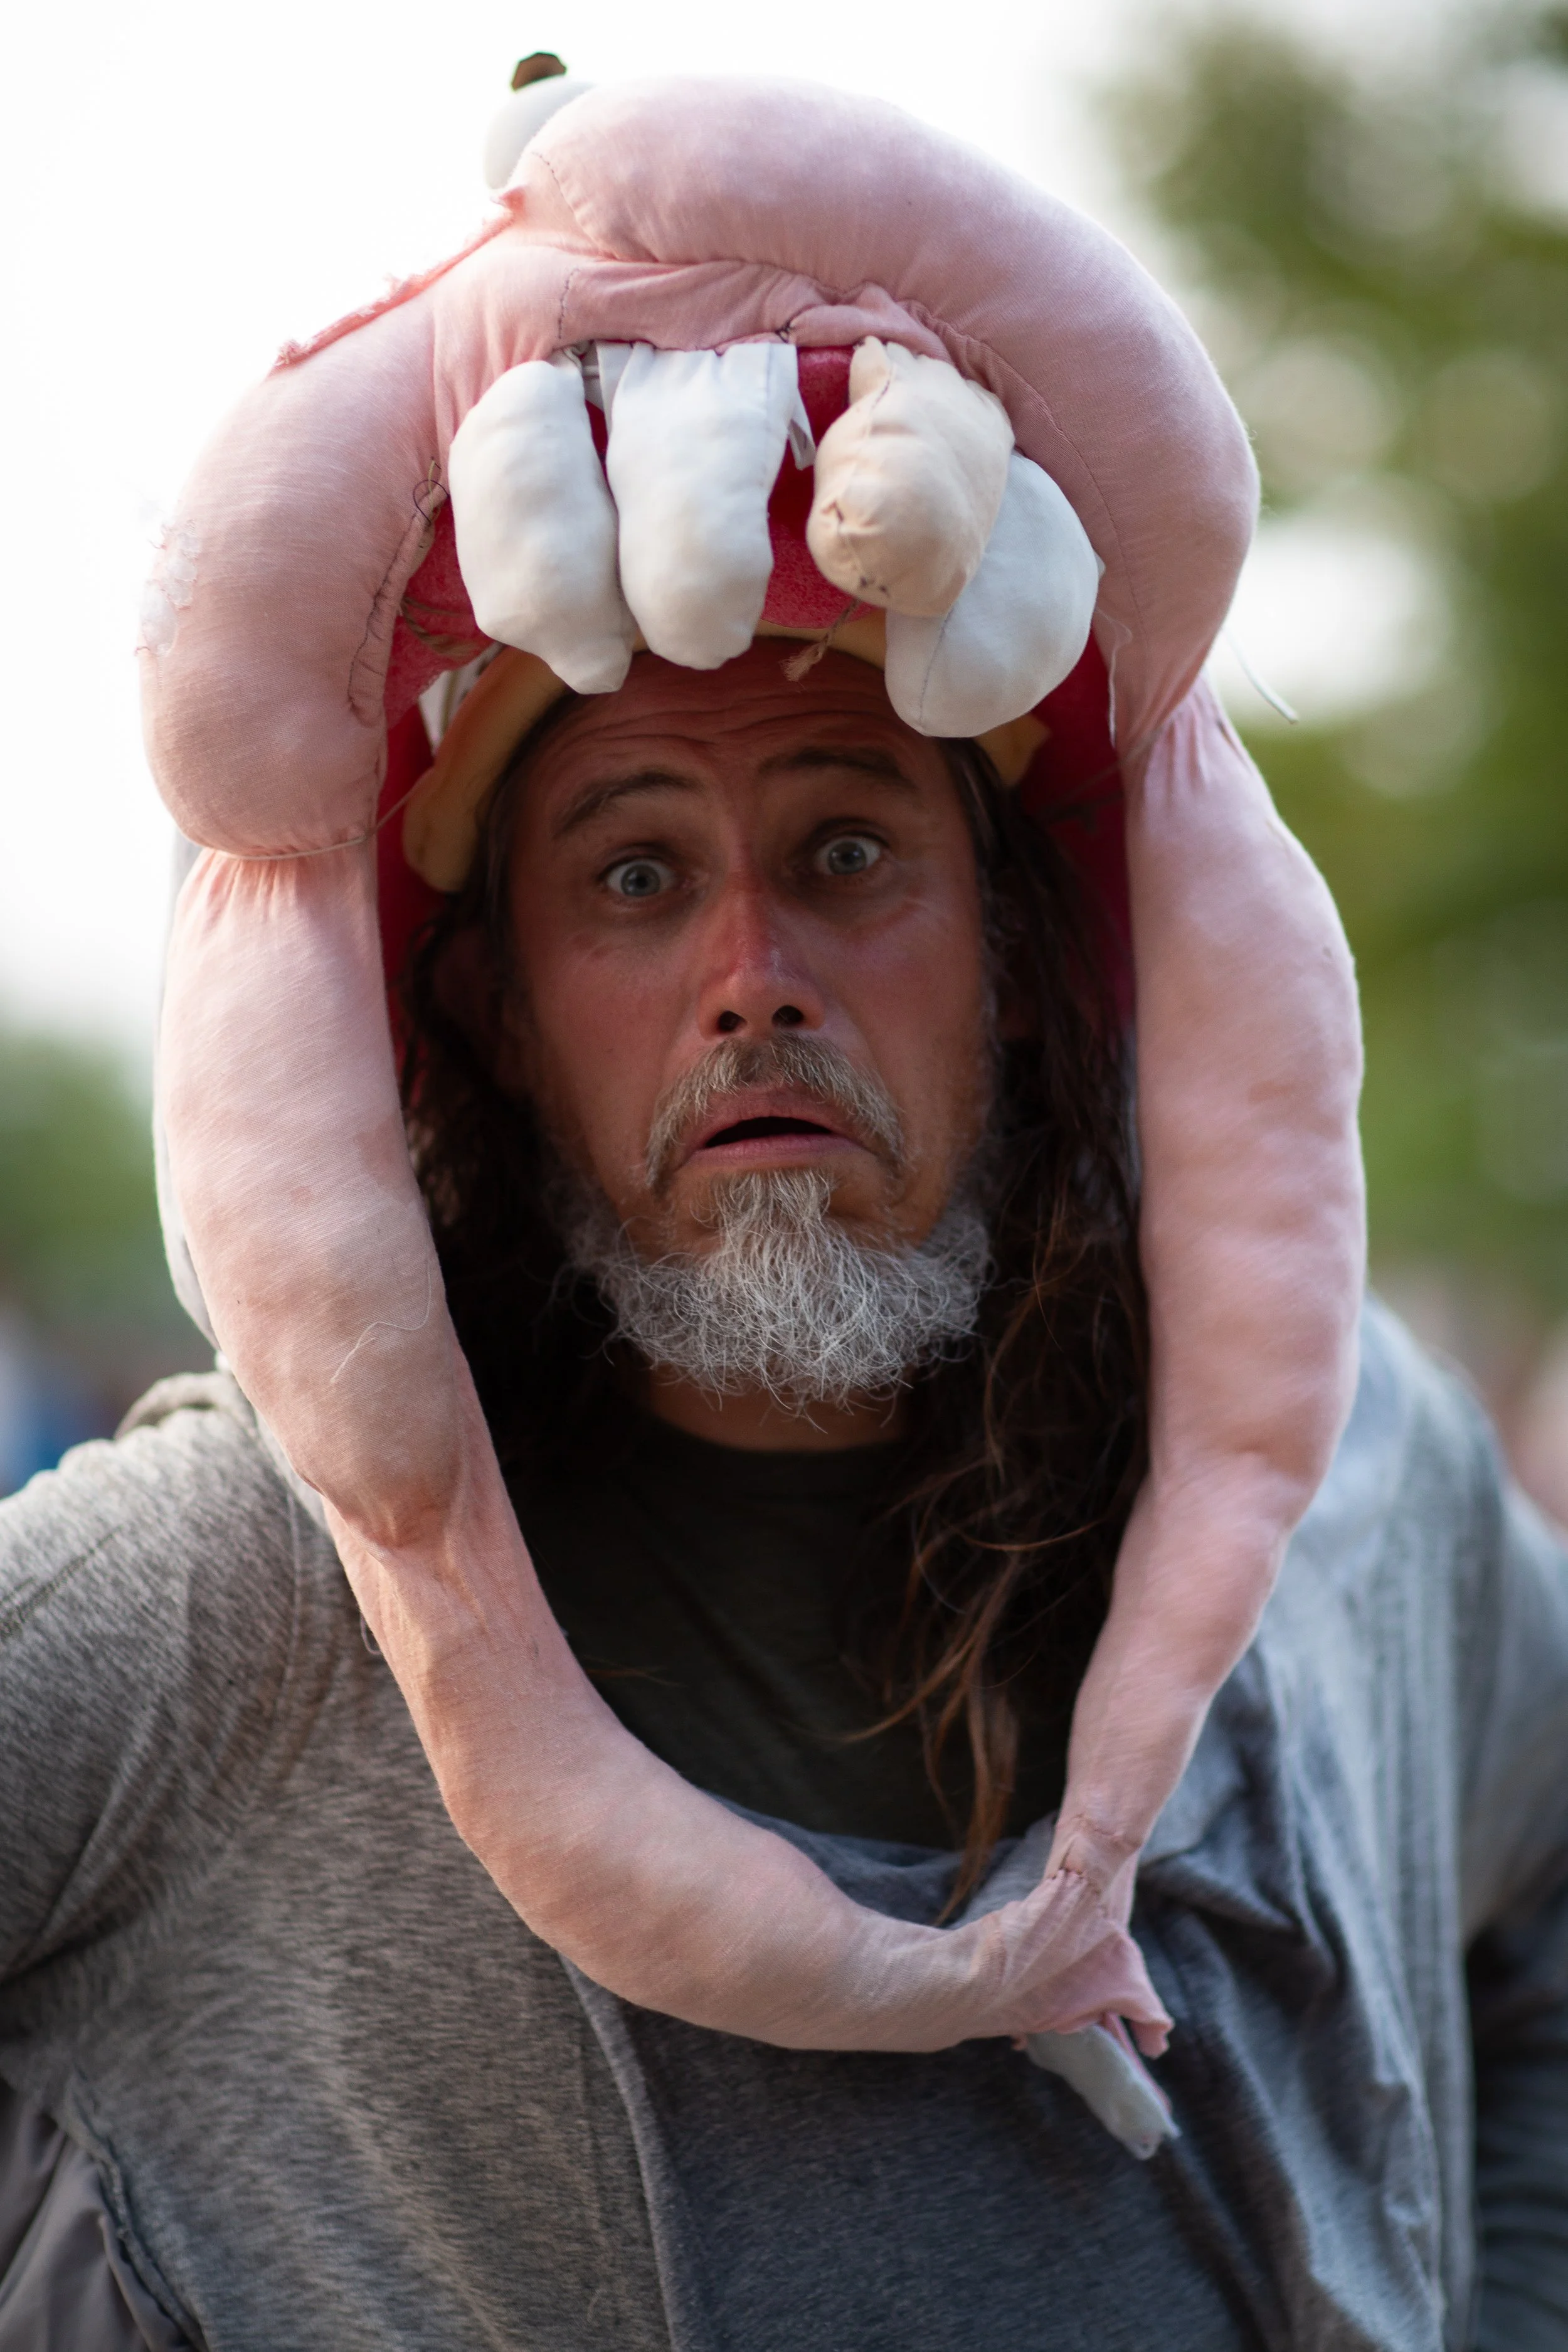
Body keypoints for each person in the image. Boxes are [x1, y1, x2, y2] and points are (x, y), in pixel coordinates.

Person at [4, 64, 1568, 2352]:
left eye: (847, 851)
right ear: (499, 1025)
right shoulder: (231, 1608)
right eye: (635, 878)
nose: (752, 978)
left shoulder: (1356, 1479)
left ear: (1027, 969)